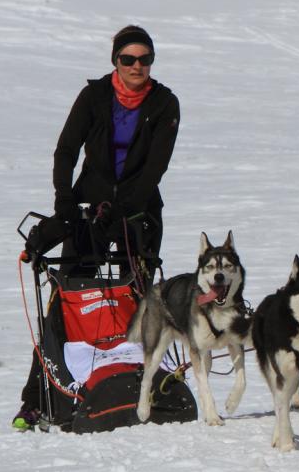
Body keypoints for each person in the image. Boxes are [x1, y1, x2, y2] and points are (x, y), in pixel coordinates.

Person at [13, 25, 181, 430]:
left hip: (137, 214)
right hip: (87, 209)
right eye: (128, 59)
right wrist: (65, 202)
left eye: (144, 59)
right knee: (67, 302)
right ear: (115, 62)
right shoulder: (94, 97)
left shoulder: (164, 103)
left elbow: (155, 168)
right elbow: (66, 150)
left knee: (139, 301)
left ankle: (147, 389)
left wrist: (119, 212)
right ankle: (37, 398)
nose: (137, 66)